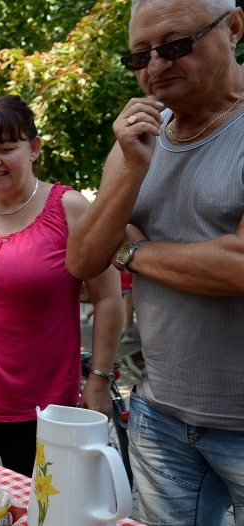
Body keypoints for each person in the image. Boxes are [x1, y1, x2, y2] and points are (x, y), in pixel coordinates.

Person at [66, 0, 244, 522]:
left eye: (175, 46)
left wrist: (134, 251)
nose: (156, 66)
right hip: (160, 413)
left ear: (233, 28)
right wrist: (131, 170)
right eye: (139, 56)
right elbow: (82, 259)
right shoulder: (136, 138)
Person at [0, 96, 123, 476]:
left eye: (6, 148)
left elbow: (108, 298)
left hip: (42, 411)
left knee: (42, 513)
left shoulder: (70, 207)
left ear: (34, 148)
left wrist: (99, 381)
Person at [119, 270, 136, 343]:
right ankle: (127, 331)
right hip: (123, 291)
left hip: (130, 291)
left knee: (125, 308)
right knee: (125, 310)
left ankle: (126, 328)